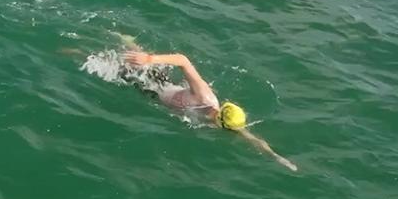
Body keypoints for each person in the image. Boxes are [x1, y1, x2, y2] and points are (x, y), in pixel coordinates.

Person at [121, 47, 297, 171]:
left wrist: (278, 158)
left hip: (157, 96)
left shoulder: (220, 119)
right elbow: (183, 60)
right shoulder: (204, 97)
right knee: (132, 64)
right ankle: (126, 40)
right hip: (156, 86)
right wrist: (149, 59)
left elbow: (252, 139)